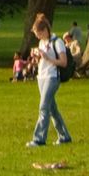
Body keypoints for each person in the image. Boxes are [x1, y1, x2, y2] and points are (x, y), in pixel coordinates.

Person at [25, 12, 72, 148]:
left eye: (38, 34)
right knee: (52, 109)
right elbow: (42, 61)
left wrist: (47, 58)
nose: (37, 37)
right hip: (42, 77)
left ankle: (39, 139)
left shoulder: (57, 42)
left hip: (52, 77)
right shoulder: (42, 42)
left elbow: (63, 62)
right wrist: (36, 59)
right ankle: (64, 136)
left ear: (45, 30)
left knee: (43, 107)